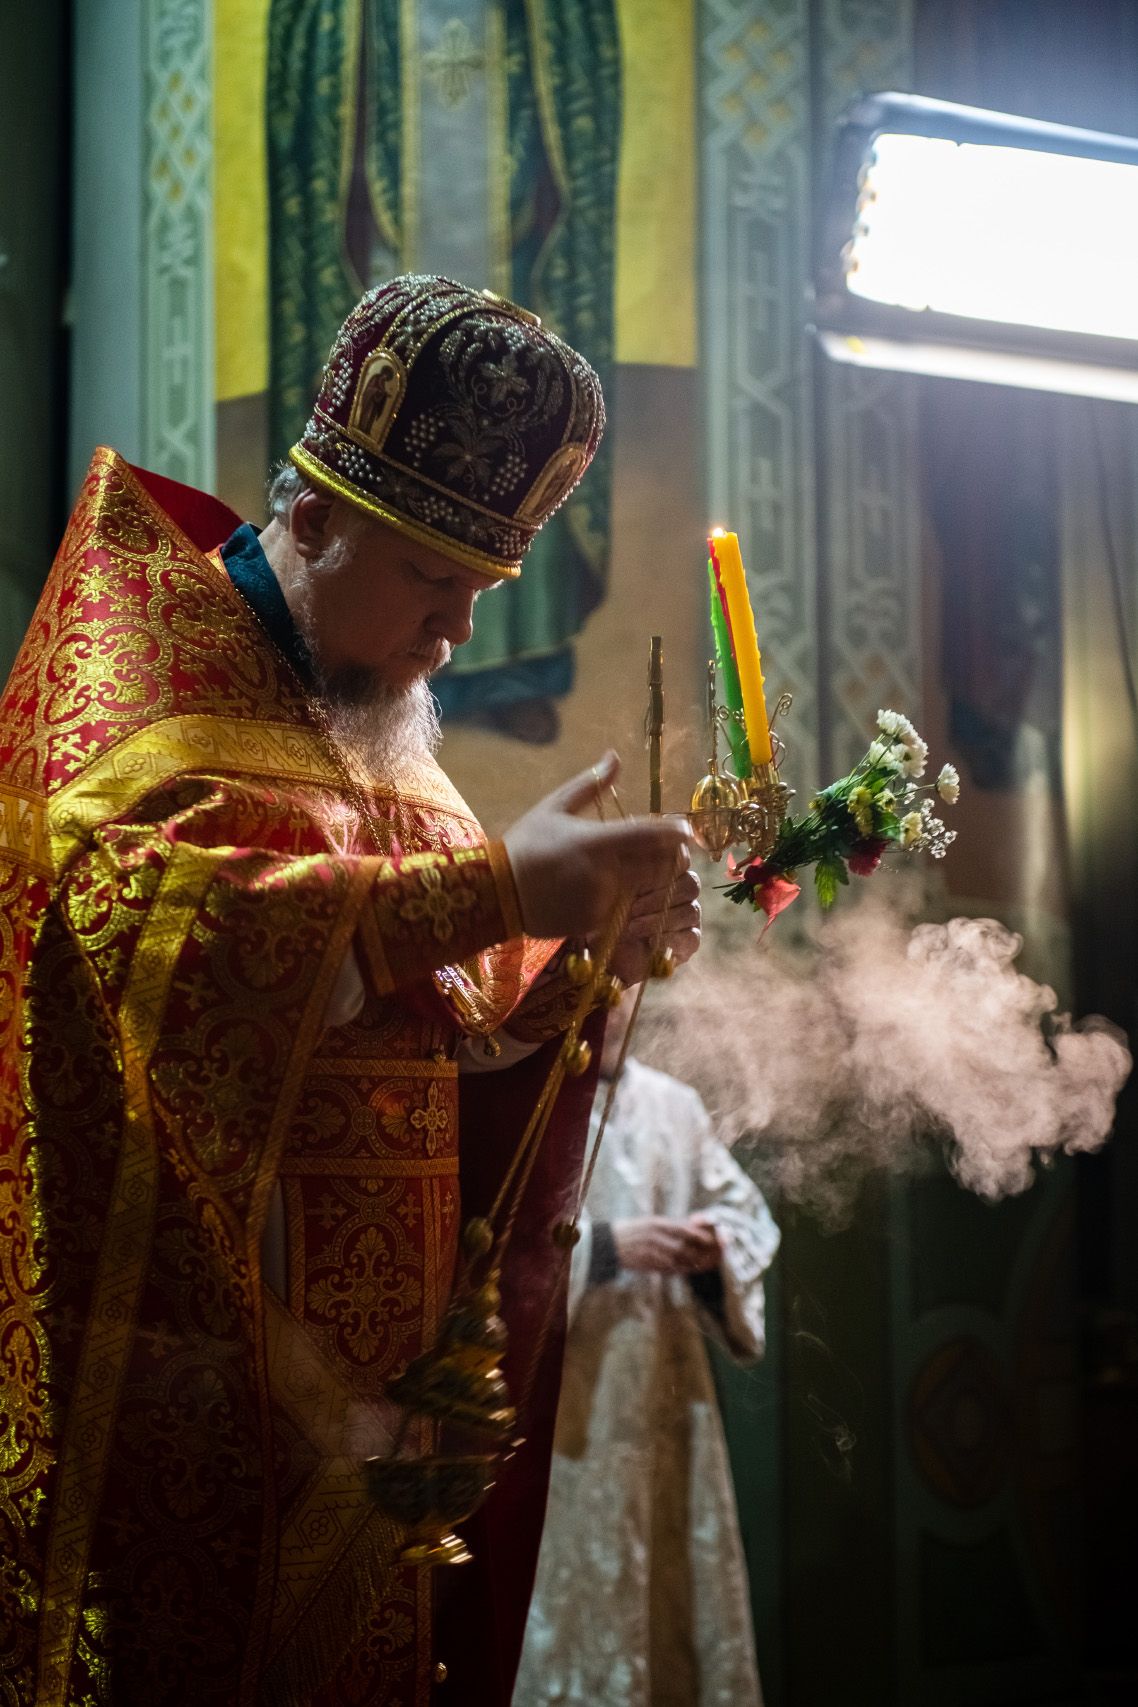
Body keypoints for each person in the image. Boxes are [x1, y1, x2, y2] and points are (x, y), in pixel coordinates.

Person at [0, 276, 700, 1707]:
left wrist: (585, 953)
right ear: (314, 518)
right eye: (432, 577)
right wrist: (498, 889)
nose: (457, 631)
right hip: (178, 1394)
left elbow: (455, 1010)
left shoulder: (374, 729)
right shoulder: (144, 675)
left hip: (370, 1423)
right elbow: (140, 952)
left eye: (482, 591)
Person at [515, 993, 779, 1707]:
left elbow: (747, 1219)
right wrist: (605, 1247)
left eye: (627, 989)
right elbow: (493, 1251)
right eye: (600, 989)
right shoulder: (531, 1102)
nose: (613, 1006)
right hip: (565, 1413)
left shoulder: (673, 1105)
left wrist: (712, 1247)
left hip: (663, 1395)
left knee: (667, 1610)